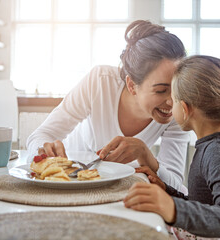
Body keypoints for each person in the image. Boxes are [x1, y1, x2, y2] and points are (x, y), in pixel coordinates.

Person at [26, 20, 190, 190]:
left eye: (178, 88)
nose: (172, 101)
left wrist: (145, 154)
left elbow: (176, 186)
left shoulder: (180, 109)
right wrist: (42, 152)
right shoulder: (100, 82)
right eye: (161, 90)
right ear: (132, 85)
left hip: (120, 185)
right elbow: (42, 134)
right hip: (70, 180)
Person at [123, 55, 220, 239]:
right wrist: (167, 191)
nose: (170, 104)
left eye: (173, 99)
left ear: (185, 109)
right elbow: (205, 204)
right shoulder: (212, 146)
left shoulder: (216, 152)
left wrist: (172, 208)